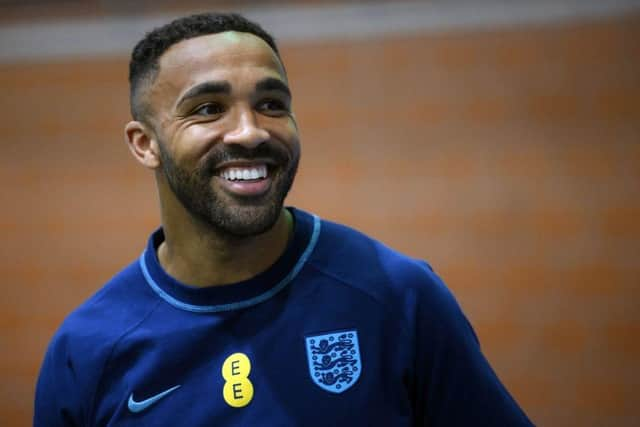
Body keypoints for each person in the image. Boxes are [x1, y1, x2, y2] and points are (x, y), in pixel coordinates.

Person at [34, 12, 534, 426]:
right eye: (209, 108)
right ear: (146, 145)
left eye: (271, 104)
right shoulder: (88, 350)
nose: (250, 132)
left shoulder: (397, 297)